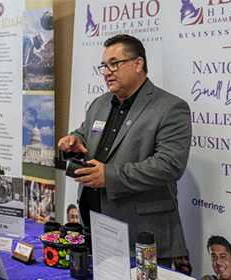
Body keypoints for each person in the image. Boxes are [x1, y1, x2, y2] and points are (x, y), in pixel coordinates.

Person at [58, 34, 192, 267]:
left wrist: (108, 176)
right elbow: (84, 134)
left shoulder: (170, 108)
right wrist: (71, 143)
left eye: (114, 64)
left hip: (142, 233)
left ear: (138, 64)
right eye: (104, 66)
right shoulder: (101, 103)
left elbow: (169, 165)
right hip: (97, 229)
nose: (107, 72)